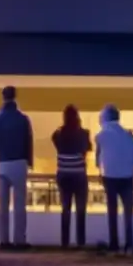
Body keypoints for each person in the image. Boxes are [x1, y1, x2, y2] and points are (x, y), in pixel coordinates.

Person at [0, 86, 33, 250]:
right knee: (20, 205)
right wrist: (29, 161)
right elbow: (28, 141)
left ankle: (3, 241)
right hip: (19, 162)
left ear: (2, 97)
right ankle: (19, 240)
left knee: (2, 205)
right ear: (15, 97)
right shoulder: (23, 119)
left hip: (3, 162)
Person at [94, 104, 133, 253]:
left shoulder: (100, 135)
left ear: (105, 118)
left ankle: (114, 244)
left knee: (112, 211)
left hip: (110, 177)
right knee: (128, 213)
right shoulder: (128, 134)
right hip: (128, 176)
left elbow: (97, 159)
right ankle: (129, 244)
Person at [51, 105, 92, 249]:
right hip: (79, 174)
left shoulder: (58, 134)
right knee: (81, 210)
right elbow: (87, 149)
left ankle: (65, 242)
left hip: (63, 174)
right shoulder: (83, 133)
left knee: (65, 209)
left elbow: (57, 145)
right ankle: (81, 242)